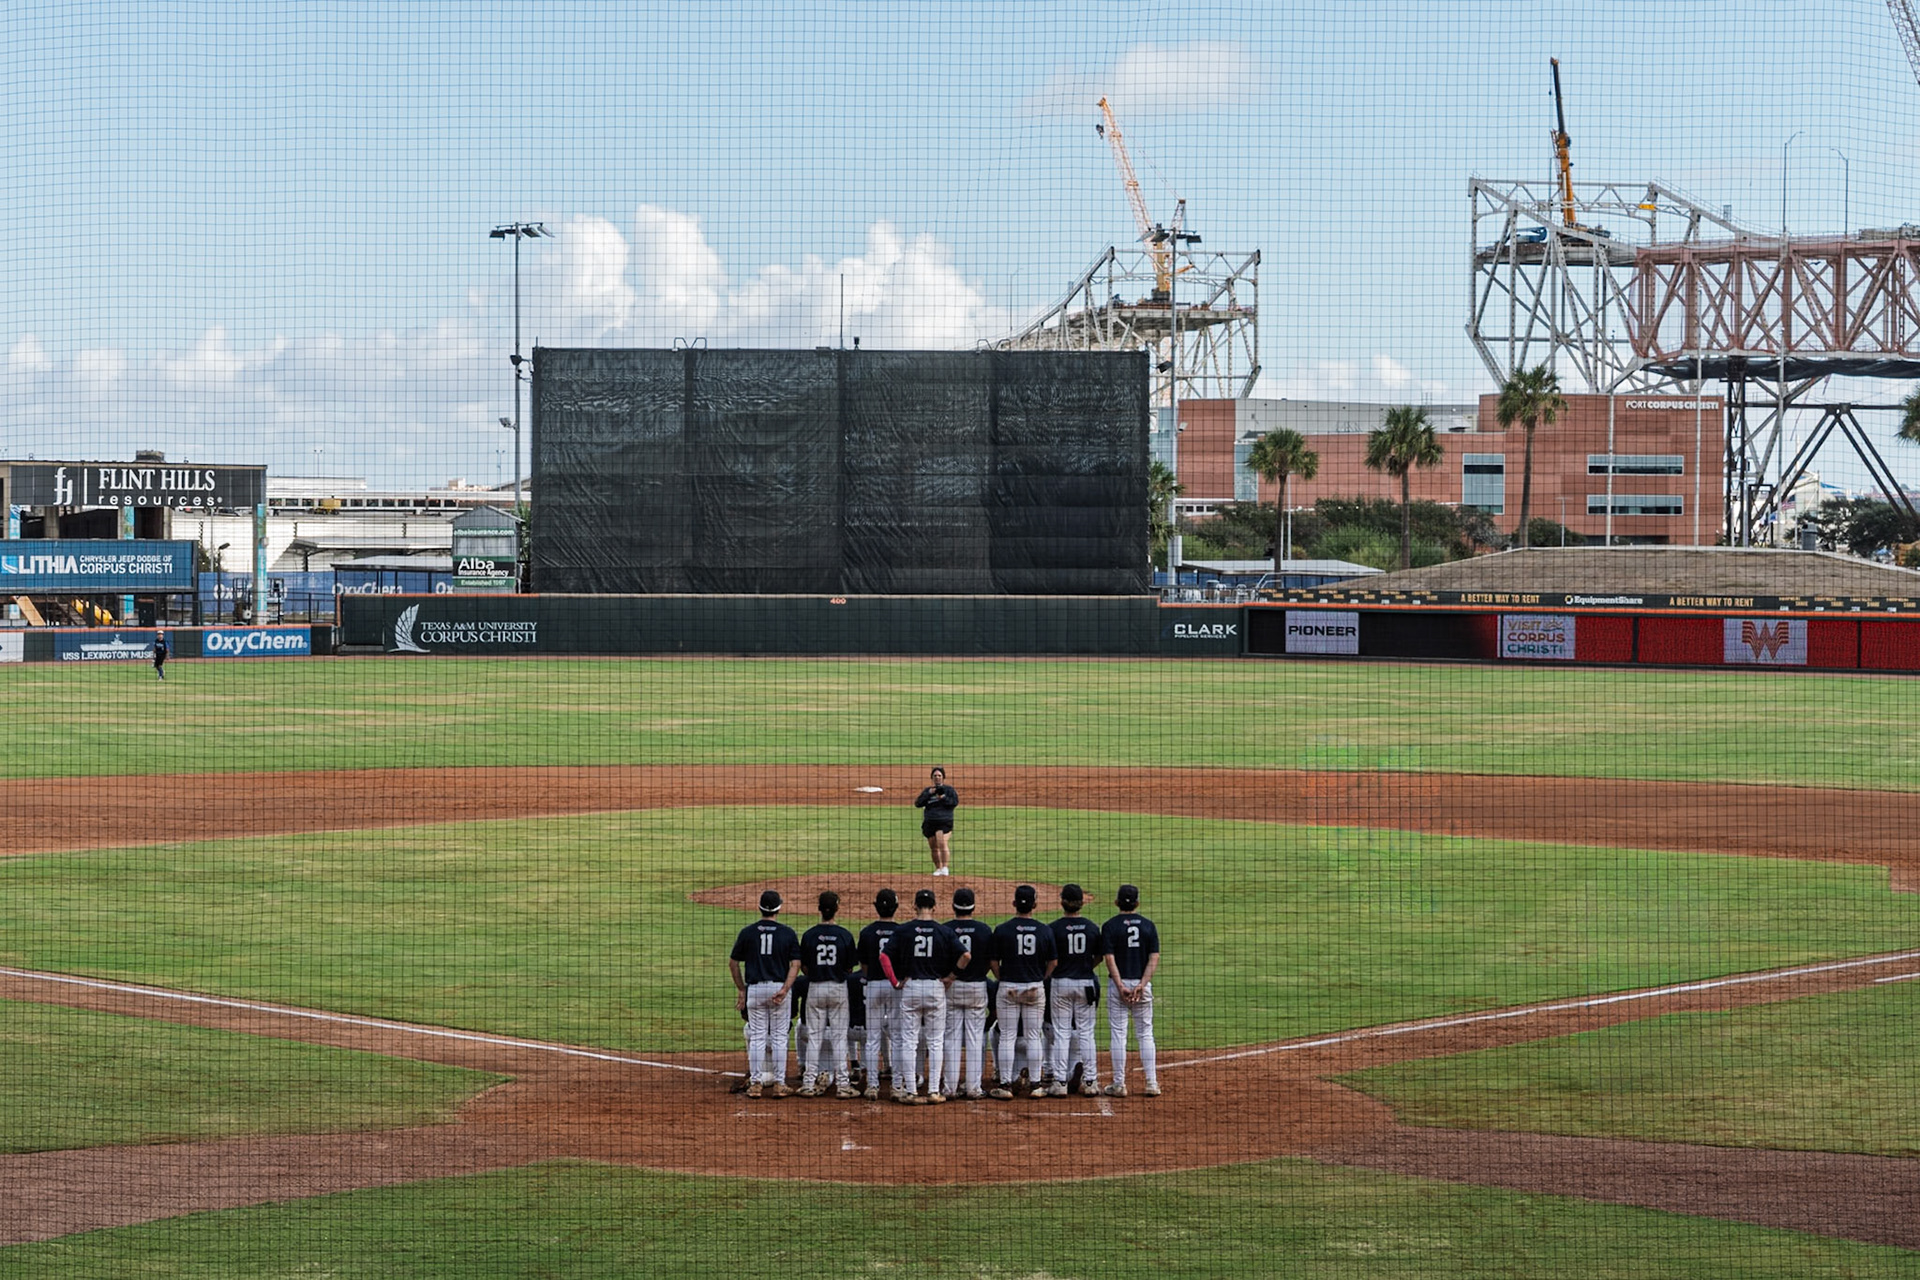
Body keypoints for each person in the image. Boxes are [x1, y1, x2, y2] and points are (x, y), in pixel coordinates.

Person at [878, 887, 960, 1104]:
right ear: (934, 907)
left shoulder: (903, 930)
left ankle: (911, 1092)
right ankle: (933, 1092)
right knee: (935, 1042)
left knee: (909, 1040)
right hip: (935, 988)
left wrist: (895, 982)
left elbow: (884, 957)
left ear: (914, 906)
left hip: (911, 988)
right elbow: (966, 955)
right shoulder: (944, 931)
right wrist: (951, 976)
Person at [728, 889, 800, 1099]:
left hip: (755, 989)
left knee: (757, 1037)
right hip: (778, 988)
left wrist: (742, 989)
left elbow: (733, 963)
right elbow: (795, 964)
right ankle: (779, 1084)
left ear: (760, 907)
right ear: (779, 908)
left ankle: (756, 1084)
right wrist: (785, 989)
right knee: (779, 1038)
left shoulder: (748, 932)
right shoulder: (787, 933)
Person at [988, 883, 1055, 1100]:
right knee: (1033, 1036)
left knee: (1007, 1036)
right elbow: (1053, 962)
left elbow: (993, 961)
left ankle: (1005, 1085)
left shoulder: (1002, 929)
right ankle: (1035, 1084)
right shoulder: (1044, 930)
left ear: (1014, 903)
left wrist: (1001, 978)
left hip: (1008, 987)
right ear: (1034, 905)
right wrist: (1041, 978)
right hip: (1034, 987)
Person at [1101, 883, 1162, 1098]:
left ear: (1116, 902)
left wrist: (1120, 986)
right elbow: (1154, 957)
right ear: (1137, 903)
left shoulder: (1109, 926)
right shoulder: (1148, 926)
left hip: (1118, 986)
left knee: (1118, 1034)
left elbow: (1109, 959)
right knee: (1145, 1033)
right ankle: (1151, 1083)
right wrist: (1142, 985)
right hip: (1141, 986)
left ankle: (1119, 1084)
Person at [797, 891, 860, 1098]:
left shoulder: (809, 935)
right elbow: (850, 968)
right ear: (837, 909)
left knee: (814, 1037)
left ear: (819, 909)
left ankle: (808, 1083)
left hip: (815, 987)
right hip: (837, 988)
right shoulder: (844, 935)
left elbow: (804, 967)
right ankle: (842, 1085)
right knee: (839, 1038)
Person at [1046, 883, 1104, 1098]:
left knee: (1061, 1033)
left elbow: (1050, 960)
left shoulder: (1053, 928)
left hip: (1060, 982)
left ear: (1062, 901)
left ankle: (1060, 1082)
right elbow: (1100, 956)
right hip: (1085, 983)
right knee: (1086, 1033)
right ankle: (1090, 1081)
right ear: (1082, 902)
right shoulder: (1092, 927)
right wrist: (1087, 967)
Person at [940, 886, 995, 1100]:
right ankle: (973, 1088)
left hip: (951, 986)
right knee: (975, 1038)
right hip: (977, 987)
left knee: (951, 1038)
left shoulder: (945, 929)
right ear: (974, 906)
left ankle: (949, 1088)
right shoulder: (984, 930)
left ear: (953, 906)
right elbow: (991, 961)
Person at [855, 888, 904, 1100]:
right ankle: (897, 1085)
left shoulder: (867, 932)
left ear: (876, 907)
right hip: (895, 986)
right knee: (898, 1036)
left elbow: (864, 965)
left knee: (872, 1037)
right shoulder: (902, 931)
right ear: (896, 907)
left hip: (873, 985)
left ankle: (872, 1085)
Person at [914, 767, 958, 877]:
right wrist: (929, 793)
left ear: (943, 777)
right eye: (935, 776)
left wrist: (942, 797)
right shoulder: (928, 791)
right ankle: (938, 868)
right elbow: (918, 803)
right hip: (930, 822)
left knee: (941, 842)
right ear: (932, 778)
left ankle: (945, 867)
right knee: (933, 846)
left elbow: (954, 803)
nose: (937, 777)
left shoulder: (949, 790)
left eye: (939, 775)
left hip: (944, 821)